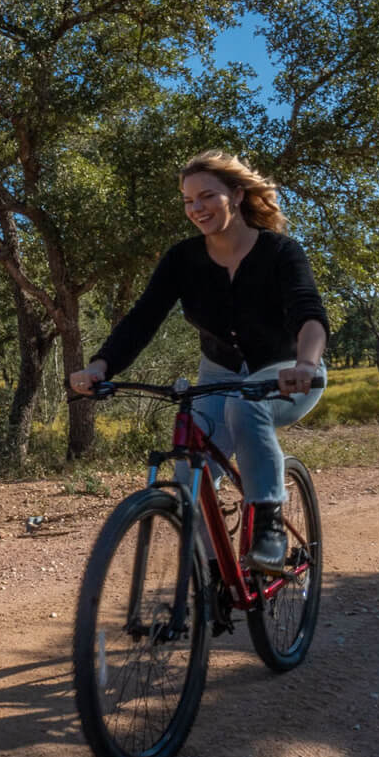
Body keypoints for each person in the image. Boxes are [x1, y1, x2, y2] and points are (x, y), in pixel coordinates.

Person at [69, 150, 328, 572]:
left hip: (286, 372)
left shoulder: (281, 252)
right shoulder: (182, 259)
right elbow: (143, 318)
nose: (197, 209)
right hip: (219, 373)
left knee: (245, 407)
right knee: (191, 474)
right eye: (189, 202)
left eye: (207, 196)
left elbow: (309, 313)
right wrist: (102, 366)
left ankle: (269, 527)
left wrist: (305, 363)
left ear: (237, 195)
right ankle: (213, 578)